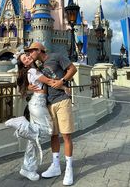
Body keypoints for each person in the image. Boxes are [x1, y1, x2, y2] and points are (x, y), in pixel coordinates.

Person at [25, 42, 77, 186]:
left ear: (39, 50)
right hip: (48, 103)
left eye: (31, 51)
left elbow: (72, 69)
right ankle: (55, 166)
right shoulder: (38, 67)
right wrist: (29, 86)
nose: (29, 54)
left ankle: (69, 169)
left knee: (66, 135)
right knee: (53, 135)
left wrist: (63, 81)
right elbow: (35, 80)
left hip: (62, 100)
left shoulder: (56, 56)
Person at [5, 52, 61, 182]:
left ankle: (28, 168)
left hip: (38, 103)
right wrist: (63, 86)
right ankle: (21, 125)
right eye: (24, 58)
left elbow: (27, 84)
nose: (28, 57)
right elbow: (48, 81)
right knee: (48, 131)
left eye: (27, 55)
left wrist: (29, 87)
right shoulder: (32, 70)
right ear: (23, 63)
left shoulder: (34, 70)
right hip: (37, 105)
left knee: (33, 140)